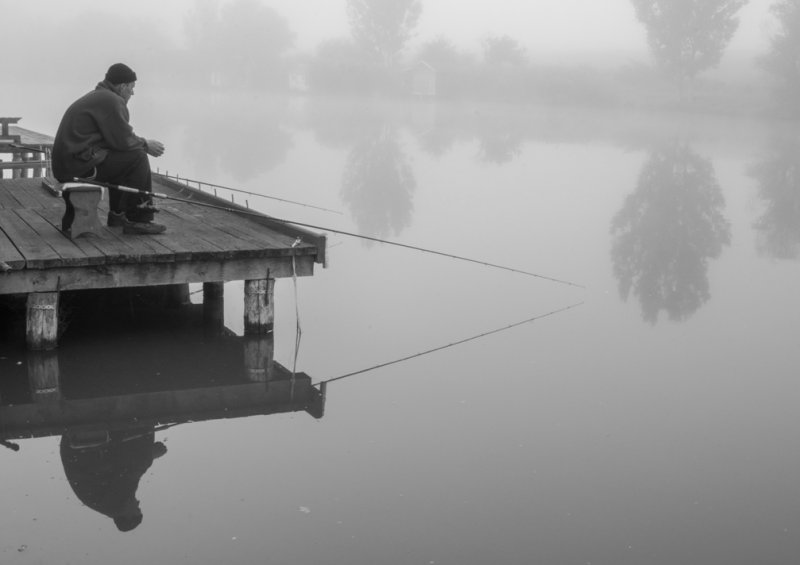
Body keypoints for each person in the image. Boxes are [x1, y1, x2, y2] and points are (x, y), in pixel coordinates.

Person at [52, 63, 166, 235]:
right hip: (78, 167)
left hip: (72, 164)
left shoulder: (100, 96)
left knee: (124, 157)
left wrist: (139, 143)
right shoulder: (111, 100)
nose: (133, 93)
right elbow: (123, 140)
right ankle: (139, 219)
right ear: (122, 86)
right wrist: (146, 144)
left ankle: (118, 216)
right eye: (132, 88)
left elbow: (117, 141)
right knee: (138, 157)